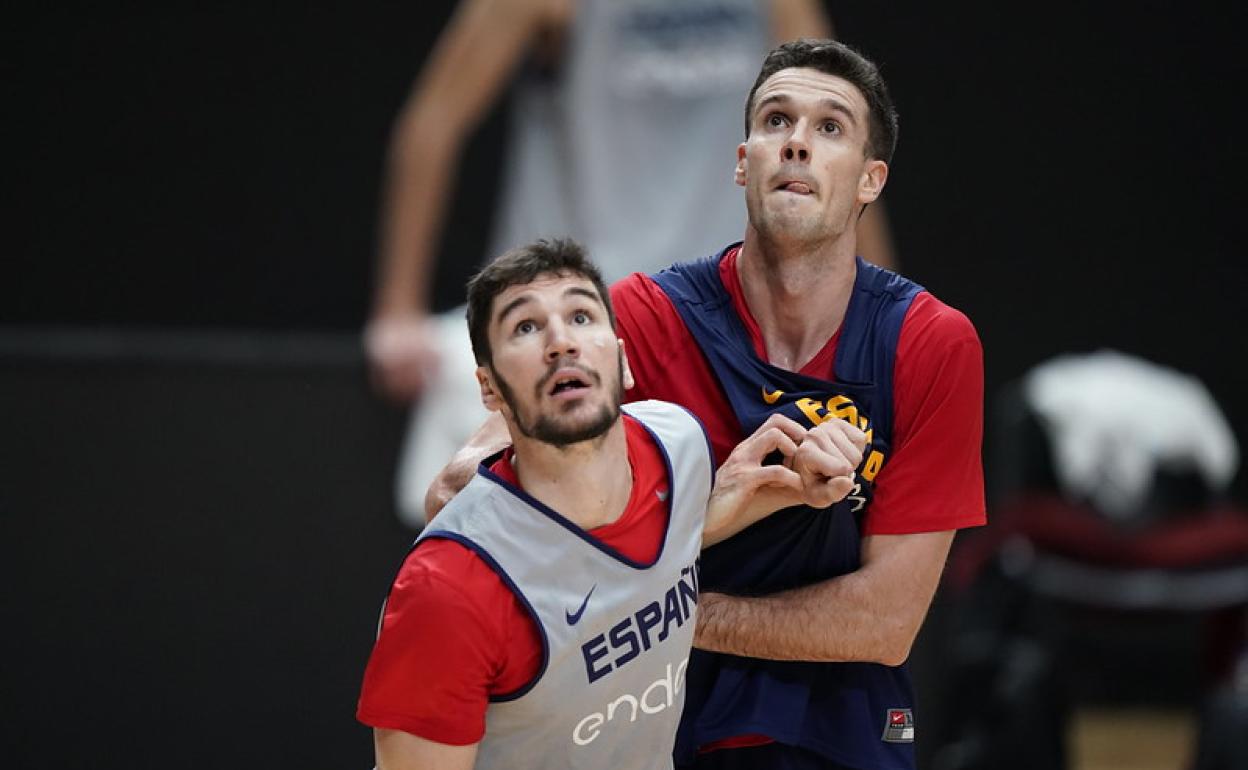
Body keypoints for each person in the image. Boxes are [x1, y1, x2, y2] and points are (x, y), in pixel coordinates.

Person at [427, 40, 987, 770]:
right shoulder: (640, 315)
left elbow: (884, 622)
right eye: (776, 120)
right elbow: (456, 492)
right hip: (646, 719)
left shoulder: (929, 343)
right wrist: (686, 513)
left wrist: (637, 605)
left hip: (837, 728)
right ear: (742, 161)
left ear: (869, 181)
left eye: (830, 128)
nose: (795, 143)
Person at [364, 0, 899, 527]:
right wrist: (397, 308)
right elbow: (433, 123)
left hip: (725, 320)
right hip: (581, 317)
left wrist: (886, 314)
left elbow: (844, 158)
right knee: (480, 513)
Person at [357, 238, 871, 770]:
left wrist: (772, 491)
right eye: (525, 327)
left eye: (581, 315)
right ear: (490, 390)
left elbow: (642, 549)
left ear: (624, 362)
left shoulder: (680, 445)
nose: (561, 342)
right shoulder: (446, 589)